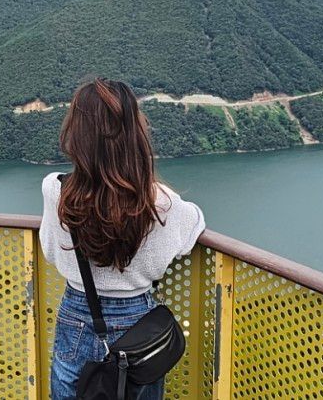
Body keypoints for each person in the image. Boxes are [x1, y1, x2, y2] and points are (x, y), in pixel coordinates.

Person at [39, 78, 205, 400]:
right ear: (135, 134)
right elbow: (193, 226)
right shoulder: (160, 203)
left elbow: (49, 249)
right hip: (138, 322)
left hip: (76, 312)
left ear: (77, 133)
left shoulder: (56, 190)